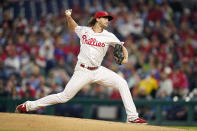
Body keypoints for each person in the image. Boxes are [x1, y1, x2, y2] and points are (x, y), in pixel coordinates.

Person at [15, 9, 147, 124]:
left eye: (108, 19)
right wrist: (68, 17)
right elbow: (74, 27)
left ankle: (132, 117)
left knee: (122, 83)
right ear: (97, 19)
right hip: (82, 70)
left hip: (98, 70)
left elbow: (121, 47)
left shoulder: (109, 36)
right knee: (64, 97)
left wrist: (126, 59)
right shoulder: (84, 31)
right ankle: (28, 106)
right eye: (105, 18)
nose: (107, 20)